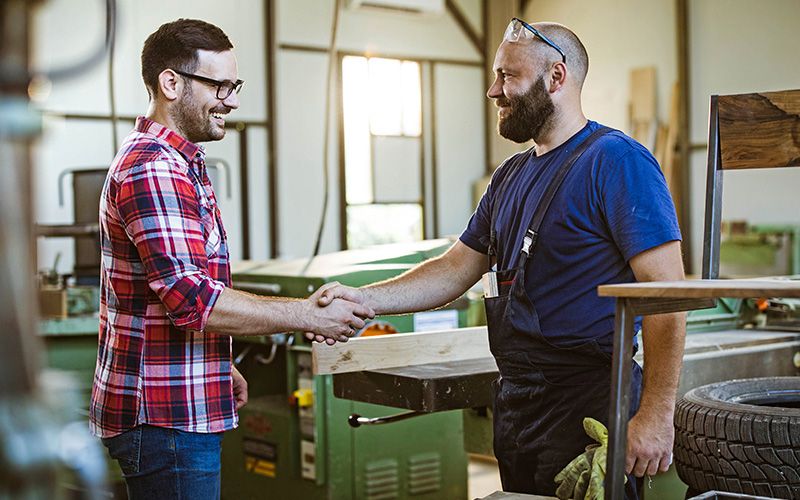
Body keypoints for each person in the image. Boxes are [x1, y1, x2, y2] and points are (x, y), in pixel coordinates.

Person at [310, 19, 686, 499]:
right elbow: (454, 269)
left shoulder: (617, 162)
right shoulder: (509, 176)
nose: (493, 91)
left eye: (507, 77)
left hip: (590, 407)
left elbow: (666, 296)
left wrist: (654, 414)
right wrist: (361, 300)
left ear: (556, 77)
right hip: (518, 406)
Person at [90, 19, 372, 500]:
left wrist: (215, 365)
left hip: (178, 400)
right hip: (165, 418)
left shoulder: (181, 162)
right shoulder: (155, 167)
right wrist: (305, 313)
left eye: (234, 84)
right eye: (220, 85)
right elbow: (192, 300)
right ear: (171, 83)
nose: (233, 99)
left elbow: (183, 289)